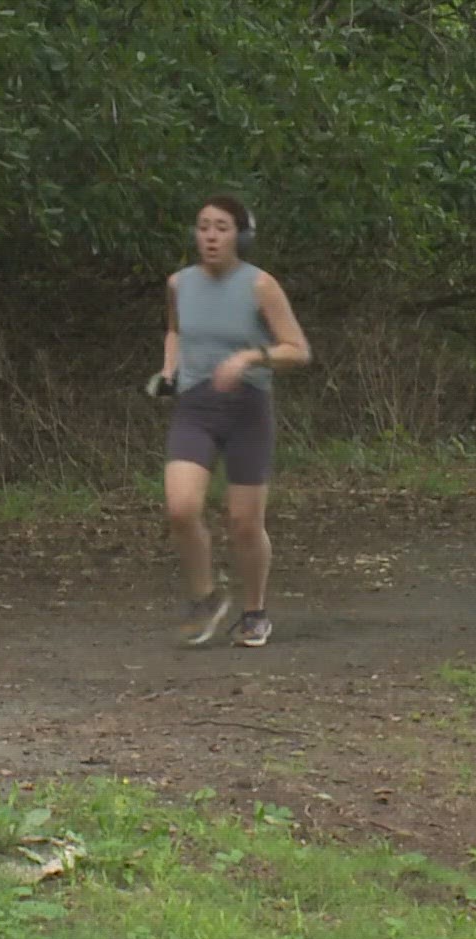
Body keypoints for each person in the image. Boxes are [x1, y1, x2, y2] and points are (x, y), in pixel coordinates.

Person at [150, 195, 311, 646]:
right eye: (203, 227)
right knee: (181, 508)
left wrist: (249, 357)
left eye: (221, 227)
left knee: (243, 521)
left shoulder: (260, 286)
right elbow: (175, 330)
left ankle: (255, 611)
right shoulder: (179, 284)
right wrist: (169, 369)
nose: (211, 236)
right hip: (195, 408)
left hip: (248, 410)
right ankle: (205, 598)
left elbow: (297, 349)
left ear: (240, 236)